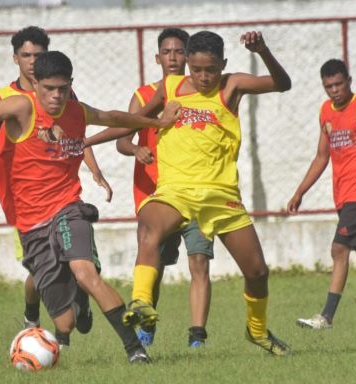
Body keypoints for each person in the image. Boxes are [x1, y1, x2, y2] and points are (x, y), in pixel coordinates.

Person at [0, 51, 180, 363]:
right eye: (49, 88)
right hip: (32, 225)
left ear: (70, 85)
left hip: (68, 208)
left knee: (85, 272)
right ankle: (54, 308)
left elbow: (115, 117)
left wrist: (157, 122)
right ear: (35, 84)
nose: (56, 96)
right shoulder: (22, 107)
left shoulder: (77, 111)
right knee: (65, 324)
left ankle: (135, 350)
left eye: (62, 88)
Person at [85, 30, 292, 356]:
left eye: (211, 69)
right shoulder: (168, 89)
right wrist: (86, 141)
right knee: (149, 226)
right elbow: (134, 123)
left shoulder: (232, 85)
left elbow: (282, 84)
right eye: (197, 69)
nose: (204, 76)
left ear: (222, 64)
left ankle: (257, 330)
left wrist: (263, 50)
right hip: (175, 191)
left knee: (257, 272)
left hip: (221, 196)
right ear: (187, 64)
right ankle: (141, 301)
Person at [0, 26, 112, 342]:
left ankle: (72, 314)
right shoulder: (4, 100)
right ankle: (32, 312)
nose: (31, 61)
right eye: (25, 55)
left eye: (37, 55)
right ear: (15, 58)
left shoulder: (62, 93)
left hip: (63, 200)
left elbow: (76, 137)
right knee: (42, 271)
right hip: (24, 203)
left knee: (80, 263)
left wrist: (95, 170)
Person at [115, 28, 213, 348]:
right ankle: (147, 322)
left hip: (195, 190)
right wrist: (136, 150)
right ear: (157, 58)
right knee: (154, 263)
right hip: (155, 196)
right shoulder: (144, 96)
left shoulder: (202, 95)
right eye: (167, 52)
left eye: (178, 51)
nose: (173, 57)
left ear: (188, 56)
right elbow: (122, 139)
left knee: (199, 260)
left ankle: (197, 337)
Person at [287, 58, 356, 330]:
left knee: (339, 249)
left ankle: (326, 317)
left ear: (349, 81)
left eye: (339, 84)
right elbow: (321, 156)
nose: (334, 90)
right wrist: (300, 191)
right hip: (343, 195)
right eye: (328, 86)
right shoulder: (326, 111)